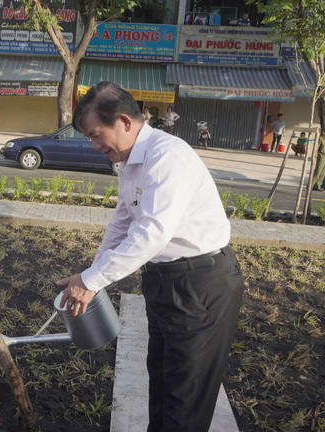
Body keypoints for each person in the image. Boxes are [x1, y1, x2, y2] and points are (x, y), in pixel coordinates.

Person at [58, 81, 244, 432]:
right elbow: (123, 221)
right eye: (90, 139)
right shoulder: (130, 160)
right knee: (161, 382)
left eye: (98, 135)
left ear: (125, 122)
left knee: (184, 401)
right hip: (165, 283)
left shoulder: (166, 157)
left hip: (200, 285)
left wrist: (94, 280)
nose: (96, 145)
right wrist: (92, 273)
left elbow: (151, 235)